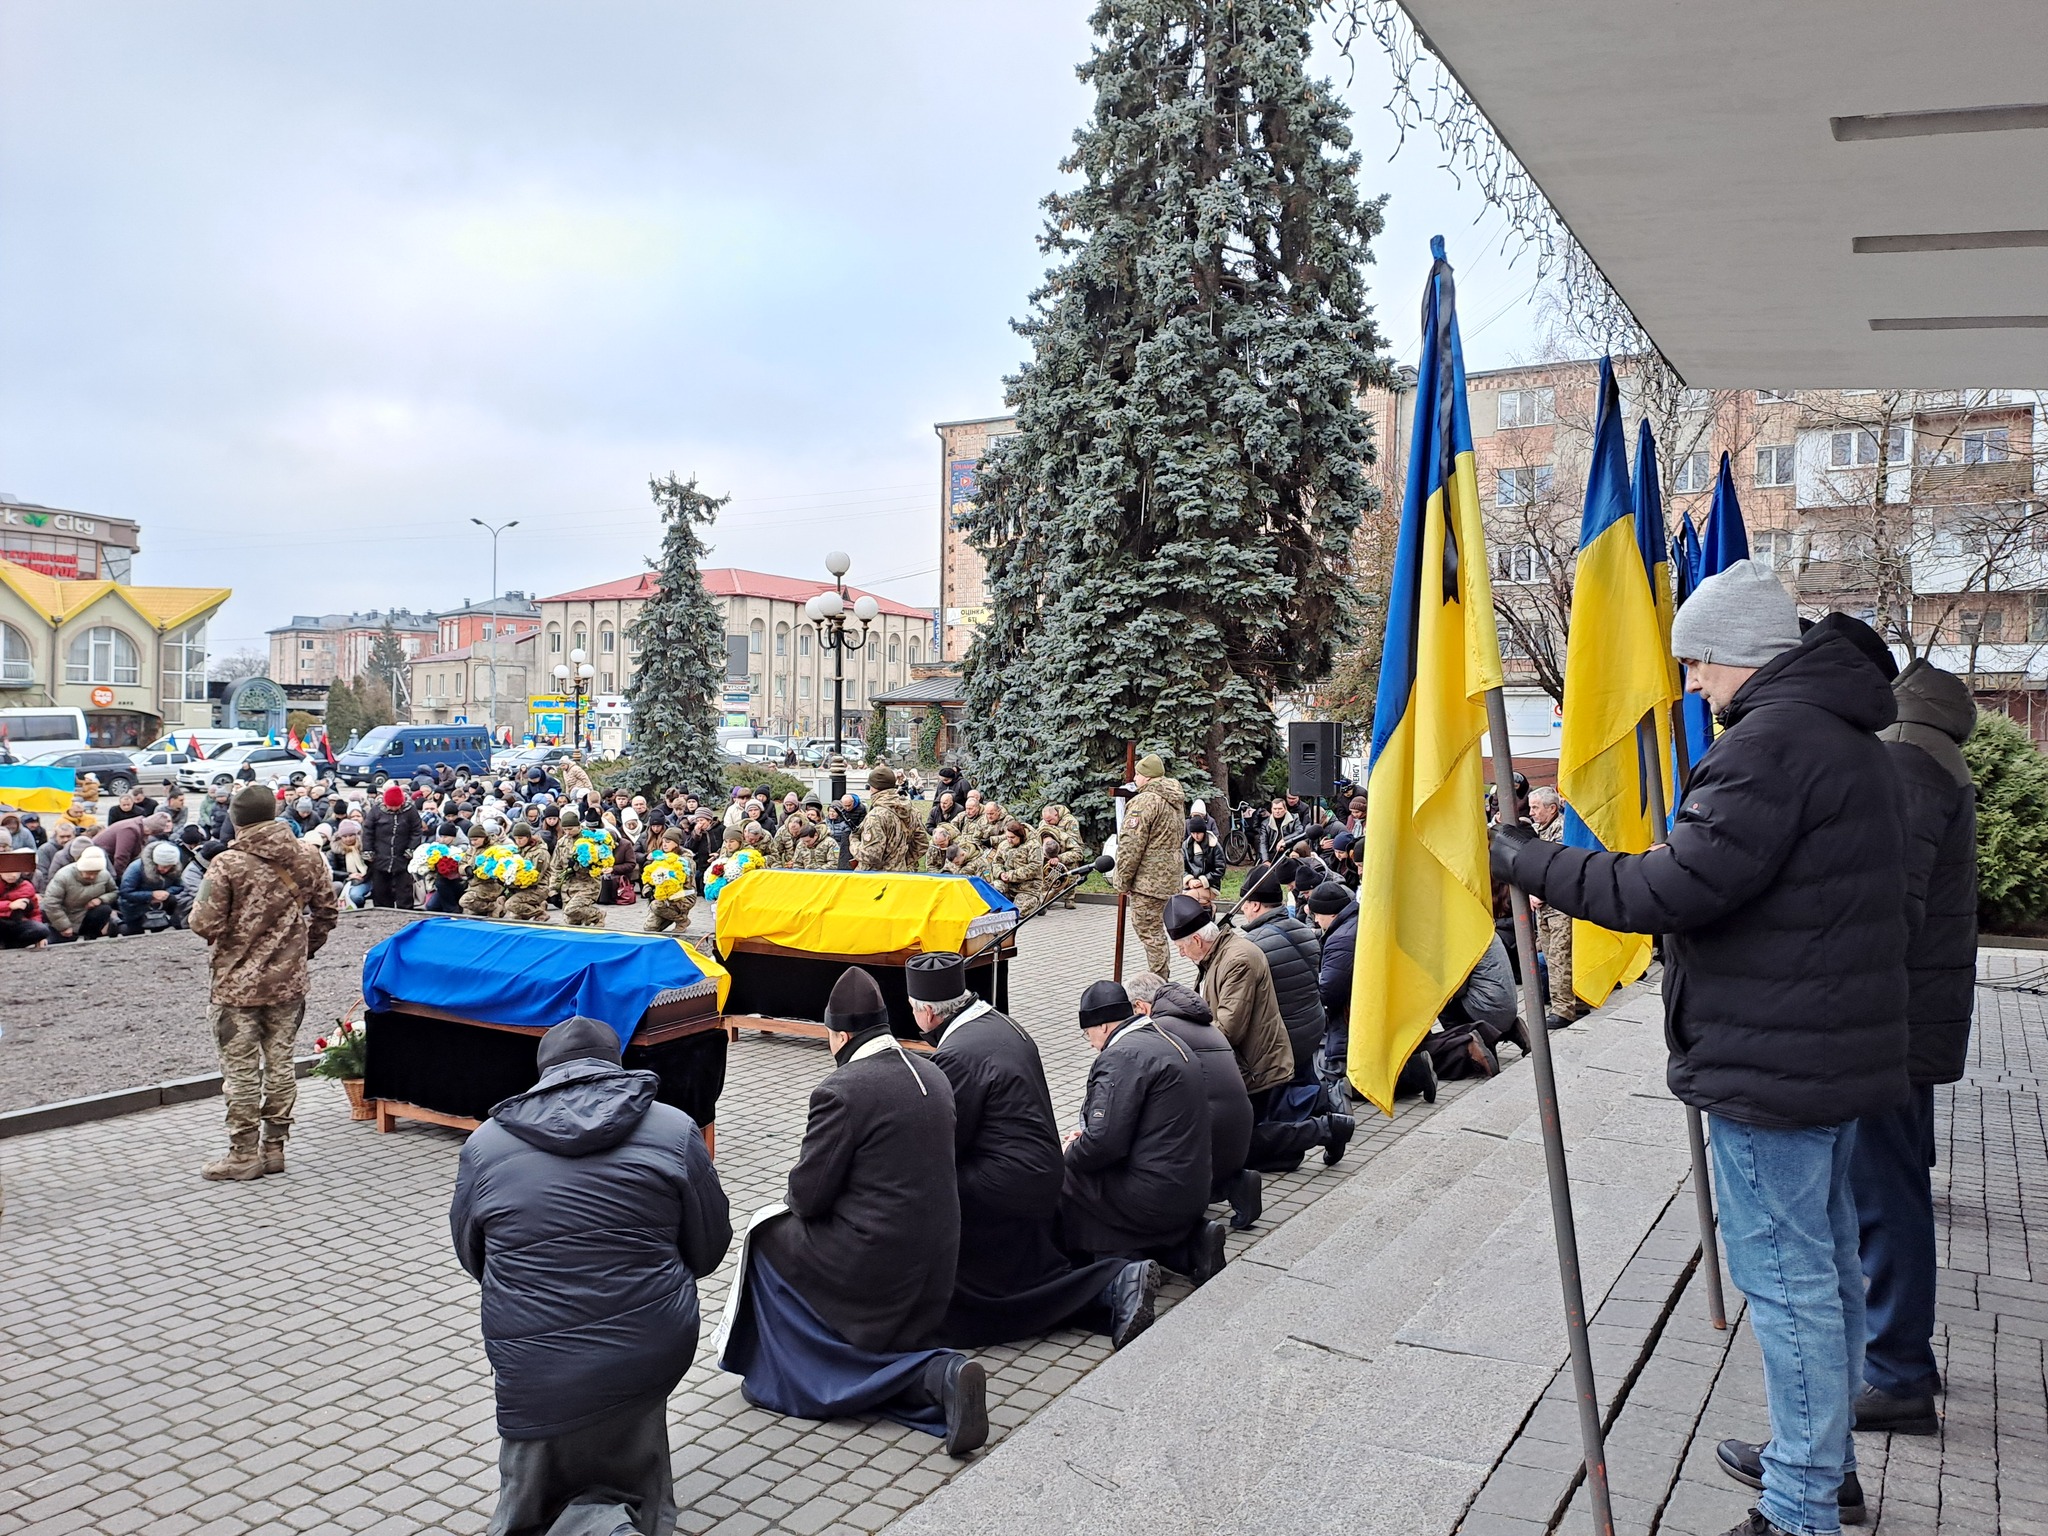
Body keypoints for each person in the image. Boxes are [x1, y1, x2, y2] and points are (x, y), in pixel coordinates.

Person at [1490, 561, 1907, 1536]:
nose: (1685, 687)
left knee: (1788, 1279)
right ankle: (1820, 1458)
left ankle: (1801, 1506)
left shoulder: (1770, 745)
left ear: (1735, 656)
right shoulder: (1840, 737)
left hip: (1774, 1063)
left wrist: (1527, 860)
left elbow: (1666, 892)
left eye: (1694, 666)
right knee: (1826, 1262)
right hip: (1824, 1051)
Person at [451, 1016, 732, 1536]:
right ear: (616, 1064)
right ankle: (615, 1515)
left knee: (530, 1507)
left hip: (534, 1363)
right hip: (651, 1346)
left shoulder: (485, 1145)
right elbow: (709, 1247)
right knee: (621, 1393)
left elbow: (474, 1256)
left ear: (542, 1073)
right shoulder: (674, 1129)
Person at [724, 968, 989, 1457]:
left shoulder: (842, 1090)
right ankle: (933, 1375)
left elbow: (807, 1197)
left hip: (876, 1257)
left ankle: (794, 1373)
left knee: (764, 1238)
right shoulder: (933, 1070)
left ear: (842, 1035)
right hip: (940, 1250)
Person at [1854, 644, 1980, 1436]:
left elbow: (1885, 903)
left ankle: (1896, 1368)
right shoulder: (1931, 747)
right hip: (1915, 1011)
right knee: (1894, 1180)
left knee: (1883, 1192)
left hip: (1886, 1017)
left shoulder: (1904, 757)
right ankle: (1904, 1360)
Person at [906, 953, 1155, 1351]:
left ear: (927, 1015)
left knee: (934, 1221)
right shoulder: (997, 1022)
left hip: (1004, 1183)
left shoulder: (958, 1053)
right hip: (1035, 1172)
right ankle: (1111, 1287)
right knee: (1021, 1276)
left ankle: (1113, 1281)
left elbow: (948, 1138)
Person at [188, 782, 340, 1182]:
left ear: (236, 820)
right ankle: (275, 1149)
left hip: (236, 986)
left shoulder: (227, 864)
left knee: (240, 1071)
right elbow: (327, 912)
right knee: (281, 1064)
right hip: (289, 983)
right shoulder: (308, 856)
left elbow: (203, 923)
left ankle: (242, 1155)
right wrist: (303, 951)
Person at [1164, 892, 1353, 1174]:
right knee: (1267, 1150)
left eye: (1180, 947)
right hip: (1249, 1059)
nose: (1180, 954)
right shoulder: (1216, 956)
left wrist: (1185, 1047)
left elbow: (1228, 1027)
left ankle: (1325, 1123)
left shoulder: (1236, 959)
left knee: (1238, 1146)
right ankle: (1319, 1118)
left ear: (1196, 940)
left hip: (1254, 1064)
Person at [1058, 979, 1223, 1284]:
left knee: (1066, 1175)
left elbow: (1103, 1146)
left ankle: (1117, 1269)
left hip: (1155, 1196)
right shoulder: (1167, 1038)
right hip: (1193, 1187)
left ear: (1104, 1027)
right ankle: (1190, 1249)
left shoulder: (1121, 1056)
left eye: (1088, 1035)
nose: (1092, 1043)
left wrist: (1070, 1151)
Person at [1125, 970, 1258, 1231]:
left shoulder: (1157, 1033)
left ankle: (1194, 1230)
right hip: (1239, 1129)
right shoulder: (1200, 1021)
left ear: (1140, 1007)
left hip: (1207, 1138)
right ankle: (1234, 1183)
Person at [1233, 860, 1328, 1089]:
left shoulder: (1253, 947)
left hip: (1283, 1039)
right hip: (1313, 1027)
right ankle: (1325, 1100)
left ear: (1255, 905)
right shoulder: (1304, 931)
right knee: (1307, 1083)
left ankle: (1323, 1115)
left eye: (1244, 904)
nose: (1243, 910)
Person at [1113, 755, 1185, 979]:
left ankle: (1158, 980)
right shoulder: (1175, 799)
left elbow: (1131, 846)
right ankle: (1161, 975)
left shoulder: (1145, 801)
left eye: (1137, 774)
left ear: (1146, 776)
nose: (1134, 779)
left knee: (1149, 930)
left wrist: (1122, 880)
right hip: (1170, 876)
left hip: (1148, 880)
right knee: (1158, 930)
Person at [1526, 787, 1581, 1029]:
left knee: (1560, 958)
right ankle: (1568, 1001)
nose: (1532, 812)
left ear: (1552, 808)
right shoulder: (1536, 831)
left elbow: (1558, 869)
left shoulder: (1562, 831)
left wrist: (1540, 891)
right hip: (1541, 907)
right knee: (1549, 956)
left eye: (1536, 808)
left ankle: (1564, 1010)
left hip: (1559, 905)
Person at [1305, 881, 1358, 1098]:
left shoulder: (1341, 940)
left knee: (1331, 1076)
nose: (1316, 920)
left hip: (1346, 1020)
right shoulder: (1353, 923)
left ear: (1332, 914)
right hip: (1358, 1011)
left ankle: (1337, 1099)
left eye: (1318, 915)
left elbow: (1329, 992)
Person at [851, 767, 927, 872]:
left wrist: (853, 842)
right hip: (901, 875)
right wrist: (900, 861)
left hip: (876, 879)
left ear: (873, 787)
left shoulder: (876, 816)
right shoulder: (912, 810)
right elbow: (921, 844)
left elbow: (870, 855)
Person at [363, 783, 423, 909]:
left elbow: (416, 830)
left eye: (397, 806)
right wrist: (368, 850)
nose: (394, 809)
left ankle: (405, 910)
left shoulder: (410, 811)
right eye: (391, 806)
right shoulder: (376, 811)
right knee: (381, 888)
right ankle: (382, 910)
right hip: (380, 854)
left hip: (403, 855)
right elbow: (368, 831)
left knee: (404, 888)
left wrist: (411, 848)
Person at [42, 845, 118, 942]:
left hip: (87, 915)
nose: (92, 877)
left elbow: (114, 892)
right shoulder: (63, 876)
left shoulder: (105, 875)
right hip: (64, 916)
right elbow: (51, 902)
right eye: (89, 873)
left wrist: (101, 899)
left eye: (96, 873)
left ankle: (90, 937)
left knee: (104, 909)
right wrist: (64, 926)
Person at [117, 840, 187, 934]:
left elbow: (180, 886)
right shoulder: (136, 868)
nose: (164, 870)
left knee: (172, 900)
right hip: (134, 907)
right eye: (162, 866)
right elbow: (125, 892)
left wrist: (166, 893)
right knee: (133, 933)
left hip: (158, 906)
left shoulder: (174, 869)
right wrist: (151, 895)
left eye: (168, 867)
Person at [92, 810, 172, 880]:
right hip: (99, 855)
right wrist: (121, 878)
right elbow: (121, 856)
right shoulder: (130, 830)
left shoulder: (139, 825)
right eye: (152, 832)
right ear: (151, 830)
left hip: (109, 856)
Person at [0, 864, 50, 947]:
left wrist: (40, 937)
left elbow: (35, 912)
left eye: (16, 871)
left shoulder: (27, 886)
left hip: (16, 922)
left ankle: (12, 945)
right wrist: (9, 905)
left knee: (42, 930)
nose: (13, 875)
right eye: (8, 872)